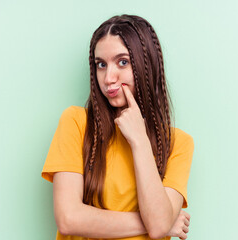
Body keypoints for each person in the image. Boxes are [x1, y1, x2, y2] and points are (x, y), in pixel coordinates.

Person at [41, 14, 194, 240]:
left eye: (122, 62)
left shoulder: (178, 144)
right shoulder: (76, 122)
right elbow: (68, 219)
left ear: (146, 64)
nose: (108, 78)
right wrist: (158, 222)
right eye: (101, 64)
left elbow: (160, 225)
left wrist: (139, 140)